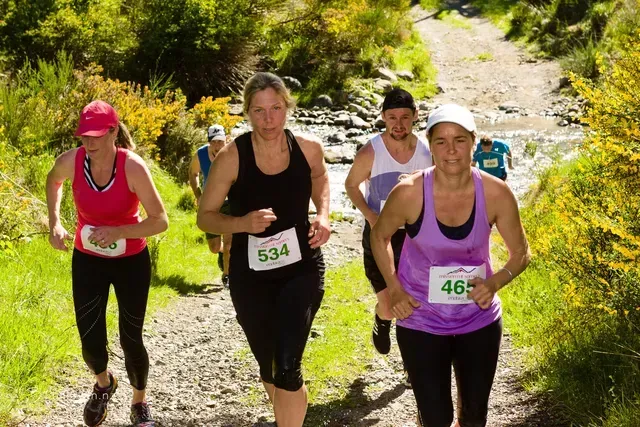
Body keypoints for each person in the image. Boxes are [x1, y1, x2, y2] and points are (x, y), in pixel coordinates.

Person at [370, 103, 531, 427]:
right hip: (421, 319)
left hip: (478, 320)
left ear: (473, 141)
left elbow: (521, 253)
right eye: (441, 141)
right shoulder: (410, 192)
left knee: (474, 419)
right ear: (430, 145)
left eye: (459, 139)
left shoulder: (496, 192)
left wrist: (494, 283)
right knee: (436, 418)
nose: (451, 150)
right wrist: (395, 289)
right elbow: (379, 237)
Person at [197, 72, 329, 427]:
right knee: (270, 366)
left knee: (287, 362)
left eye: (275, 108)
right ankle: (289, 406)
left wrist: (324, 215)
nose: (268, 119)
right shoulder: (231, 157)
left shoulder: (308, 148)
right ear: (247, 113)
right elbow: (204, 218)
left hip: (301, 267)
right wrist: (242, 223)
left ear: (287, 107)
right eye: (258, 111)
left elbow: (320, 178)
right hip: (250, 274)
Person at [46, 100, 168, 427]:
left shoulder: (132, 167)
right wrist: (55, 222)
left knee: (131, 337)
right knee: (90, 340)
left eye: (97, 135)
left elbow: (160, 221)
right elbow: (52, 180)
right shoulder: (72, 161)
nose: (89, 143)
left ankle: (140, 402)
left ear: (113, 131)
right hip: (88, 259)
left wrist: (119, 231)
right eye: (84, 136)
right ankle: (104, 384)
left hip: (131, 262)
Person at [345, 88, 432, 357]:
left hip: (415, 235)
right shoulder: (371, 151)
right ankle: (382, 321)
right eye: (392, 117)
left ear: (415, 116)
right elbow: (350, 185)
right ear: (383, 117)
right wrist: (371, 216)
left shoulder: (427, 152)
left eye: (405, 117)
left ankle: (411, 363)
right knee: (388, 304)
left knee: (412, 301)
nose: (398, 124)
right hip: (379, 233)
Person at [189, 124, 232, 286]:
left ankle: (227, 276)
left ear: (225, 140)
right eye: (214, 142)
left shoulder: (232, 153)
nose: (217, 145)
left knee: (229, 244)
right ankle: (222, 253)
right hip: (210, 205)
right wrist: (198, 195)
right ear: (208, 142)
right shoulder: (200, 154)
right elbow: (193, 174)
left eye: (220, 141)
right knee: (215, 247)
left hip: (230, 202)